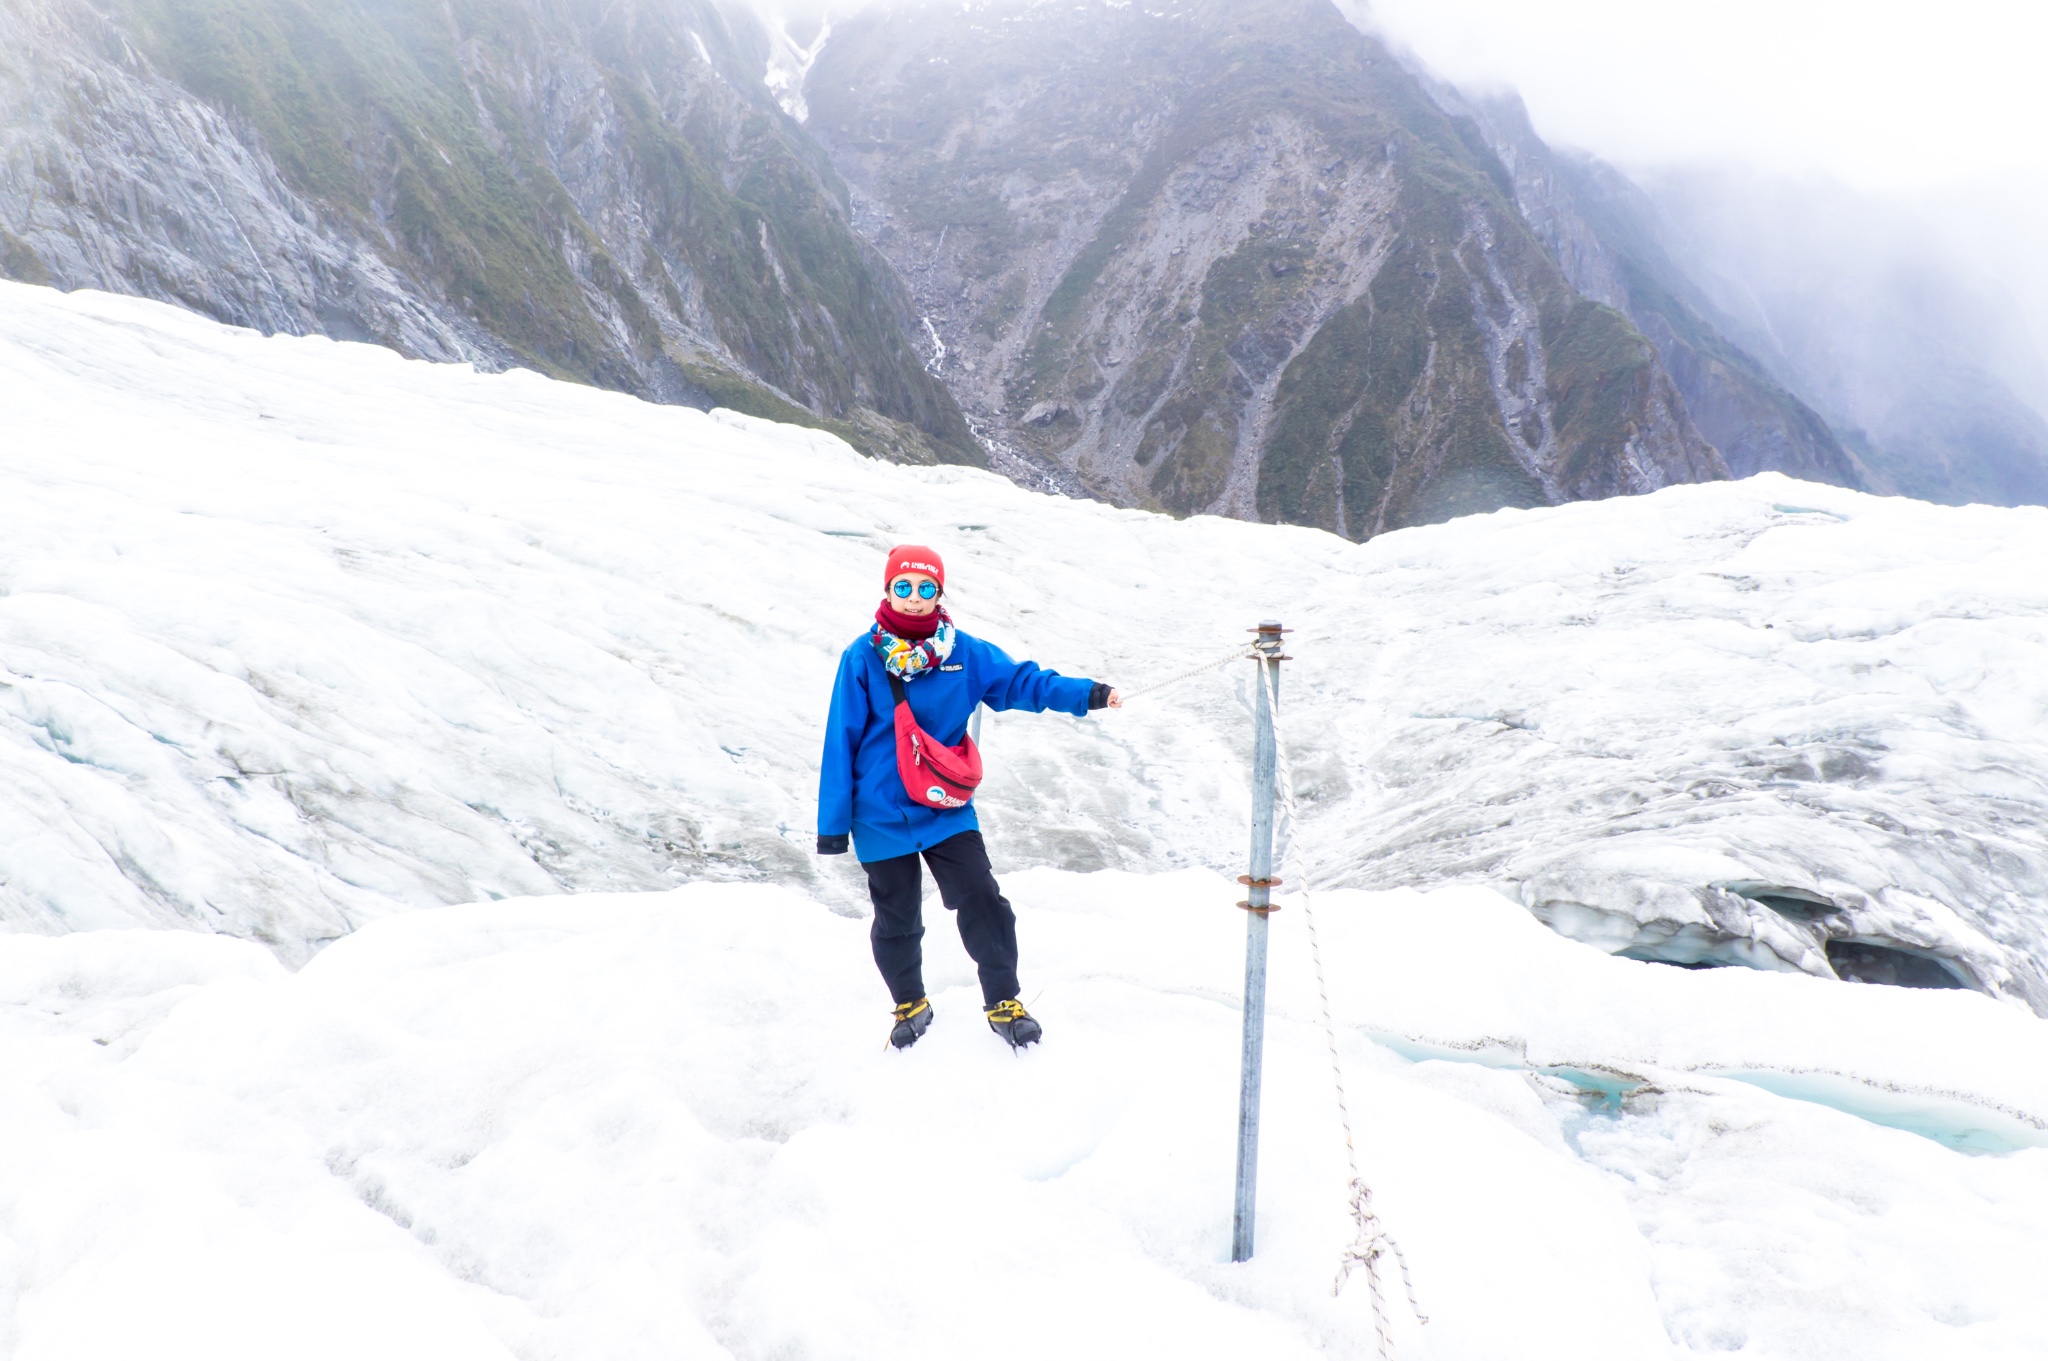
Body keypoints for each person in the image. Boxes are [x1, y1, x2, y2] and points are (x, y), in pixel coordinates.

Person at [817, 544, 1120, 1050]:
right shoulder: (862, 657)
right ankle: (909, 1002)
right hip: (879, 815)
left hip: (944, 805)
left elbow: (1025, 682)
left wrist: (1088, 693)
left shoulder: (965, 653)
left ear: (940, 592)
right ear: (888, 589)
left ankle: (1004, 999)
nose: (914, 599)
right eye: (904, 587)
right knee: (896, 917)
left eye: (926, 588)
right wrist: (834, 826)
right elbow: (839, 739)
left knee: (981, 897)